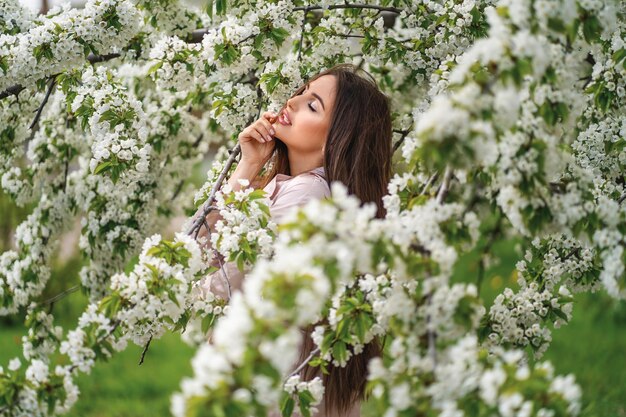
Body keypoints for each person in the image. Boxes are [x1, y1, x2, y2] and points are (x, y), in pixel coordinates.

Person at [196, 63, 392, 417]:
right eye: (302, 91)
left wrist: (245, 176)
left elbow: (214, 283)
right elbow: (204, 258)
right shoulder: (288, 186)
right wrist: (248, 166)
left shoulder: (308, 198)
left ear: (339, 137)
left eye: (312, 105)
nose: (294, 102)